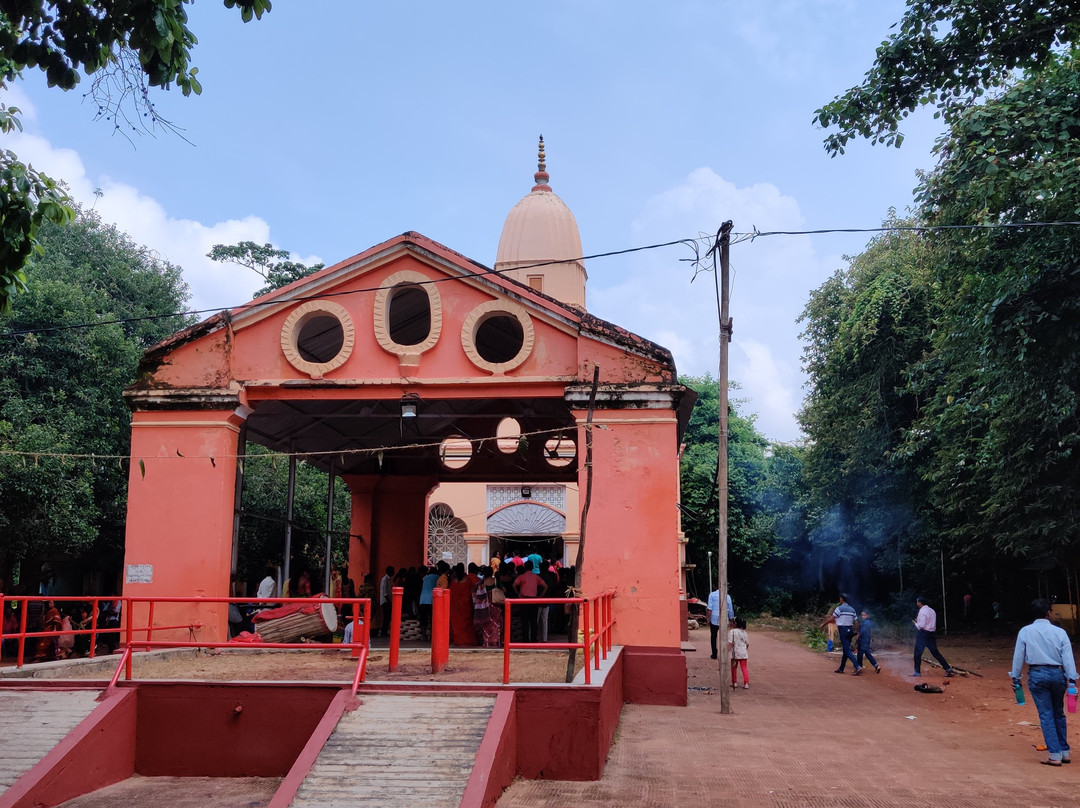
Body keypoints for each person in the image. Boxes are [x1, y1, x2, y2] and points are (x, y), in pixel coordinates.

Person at [1010, 598, 1079, 766]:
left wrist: (1015, 676)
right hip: (1058, 674)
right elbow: (1068, 658)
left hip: (1037, 673)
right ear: (1049, 612)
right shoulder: (1060, 632)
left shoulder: (1026, 631)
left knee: (1046, 714)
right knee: (1058, 713)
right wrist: (1072, 679)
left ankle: (1054, 755)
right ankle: (1064, 751)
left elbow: (1019, 656)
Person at [912, 596, 955, 677]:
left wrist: (915, 624)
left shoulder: (922, 611)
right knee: (935, 652)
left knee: (917, 653)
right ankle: (947, 668)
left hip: (923, 634)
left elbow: (921, 625)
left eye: (917, 602)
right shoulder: (932, 611)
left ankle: (917, 672)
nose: (917, 603)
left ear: (920, 602)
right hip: (931, 634)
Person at [827, 593, 863, 675]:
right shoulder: (852, 609)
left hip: (843, 630)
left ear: (841, 599)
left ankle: (857, 666)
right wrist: (858, 631)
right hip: (850, 630)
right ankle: (841, 668)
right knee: (845, 650)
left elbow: (832, 618)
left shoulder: (839, 608)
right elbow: (856, 622)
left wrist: (823, 624)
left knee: (847, 649)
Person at [513, 561, 548, 643]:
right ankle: (533, 639)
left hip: (524, 601)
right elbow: (545, 586)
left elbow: (514, 585)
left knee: (524, 621)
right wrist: (540, 597)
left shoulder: (521, 577)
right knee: (533, 622)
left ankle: (525, 639)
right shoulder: (536, 577)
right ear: (532, 568)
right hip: (533, 601)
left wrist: (518, 594)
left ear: (525, 567)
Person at [706, 588, 735, 660]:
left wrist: (708, 619)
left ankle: (714, 654)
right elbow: (730, 609)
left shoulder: (712, 595)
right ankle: (723, 653)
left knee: (713, 636)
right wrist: (731, 620)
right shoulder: (727, 596)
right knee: (724, 637)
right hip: (724, 619)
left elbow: (710, 608)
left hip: (714, 619)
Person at [728, 616, 750, 688]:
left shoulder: (732, 632)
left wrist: (726, 652)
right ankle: (746, 683)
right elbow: (747, 644)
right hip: (743, 653)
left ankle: (734, 682)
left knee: (734, 667)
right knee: (744, 667)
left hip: (735, 653)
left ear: (735, 624)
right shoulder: (744, 632)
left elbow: (730, 643)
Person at [378, 565, 395, 638]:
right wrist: (389, 601)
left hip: (388, 601)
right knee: (386, 617)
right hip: (385, 601)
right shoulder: (384, 579)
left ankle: (384, 631)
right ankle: (383, 632)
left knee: (388, 617)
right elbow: (385, 592)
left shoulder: (389, 580)